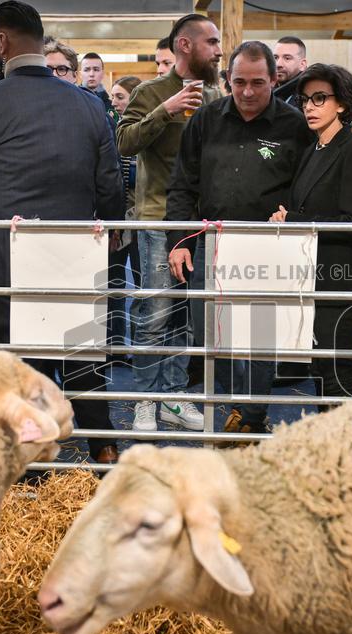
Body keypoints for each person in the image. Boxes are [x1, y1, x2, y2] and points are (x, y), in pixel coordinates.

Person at [0, 0, 124, 464]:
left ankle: (31, 460)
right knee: (80, 349)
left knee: (16, 358)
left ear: (2, 42)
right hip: (73, 252)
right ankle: (104, 446)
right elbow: (110, 182)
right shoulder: (89, 103)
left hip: (2, 257)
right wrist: (112, 231)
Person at [166, 41, 314, 435]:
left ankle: (250, 417)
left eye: (257, 83)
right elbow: (182, 185)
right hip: (212, 242)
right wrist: (178, 242)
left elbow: (307, 187)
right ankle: (239, 406)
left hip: (270, 245)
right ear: (227, 79)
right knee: (212, 333)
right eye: (239, 82)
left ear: (274, 79)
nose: (247, 92)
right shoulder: (206, 119)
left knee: (263, 335)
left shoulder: (295, 125)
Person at [116, 13, 223, 434]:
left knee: (186, 316)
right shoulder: (150, 92)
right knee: (156, 312)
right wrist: (165, 111)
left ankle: (174, 396)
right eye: (211, 42)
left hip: (202, 223)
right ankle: (145, 399)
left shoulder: (216, 95)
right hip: (159, 220)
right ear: (185, 45)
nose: (218, 50)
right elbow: (124, 143)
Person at [269, 63, 352, 402]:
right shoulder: (312, 149)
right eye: (305, 100)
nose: (309, 107)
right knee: (321, 370)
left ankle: (343, 436)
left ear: (341, 104)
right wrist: (284, 217)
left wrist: (293, 219)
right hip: (310, 275)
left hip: (338, 277)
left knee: (335, 372)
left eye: (319, 98)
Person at [108, 74, 142, 366]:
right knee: (114, 286)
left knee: (143, 288)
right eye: (112, 97)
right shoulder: (111, 129)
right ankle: (115, 348)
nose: (114, 102)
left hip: (142, 222)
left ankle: (142, 351)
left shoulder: (144, 131)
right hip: (116, 219)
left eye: (120, 97)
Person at [272, 36, 307, 104]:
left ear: (302, 64)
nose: (278, 64)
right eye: (275, 58)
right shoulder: (266, 90)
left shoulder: (308, 95)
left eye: (287, 58)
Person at [80, 52, 113, 116]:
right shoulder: (72, 102)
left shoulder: (112, 107)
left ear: (102, 74)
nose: (91, 74)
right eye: (87, 70)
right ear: (80, 74)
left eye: (96, 70)